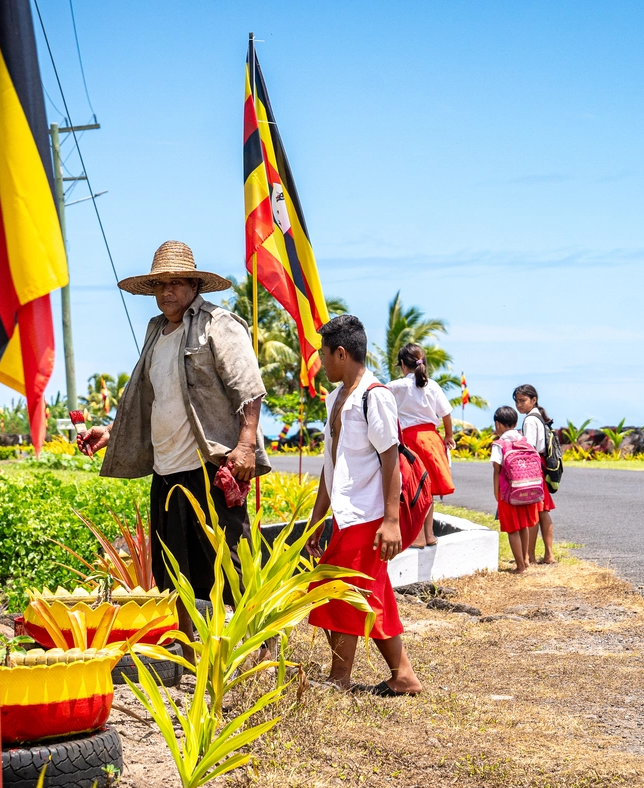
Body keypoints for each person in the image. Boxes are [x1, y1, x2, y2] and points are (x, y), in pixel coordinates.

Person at [77, 241, 269, 638]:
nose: (168, 291)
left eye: (177, 282)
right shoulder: (155, 332)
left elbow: (248, 388)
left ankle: (260, 647)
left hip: (208, 465)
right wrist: (111, 432)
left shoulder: (218, 324)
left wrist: (246, 443)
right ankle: (188, 653)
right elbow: (154, 398)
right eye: (161, 284)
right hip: (166, 470)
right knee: (174, 571)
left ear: (195, 285)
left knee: (230, 563)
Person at [307, 315, 423, 696]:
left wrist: (391, 521)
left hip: (369, 516)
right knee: (371, 594)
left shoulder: (377, 396)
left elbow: (392, 461)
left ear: (342, 353)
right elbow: (332, 466)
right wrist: (315, 521)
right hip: (346, 515)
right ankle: (403, 676)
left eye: (324, 354)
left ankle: (339, 680)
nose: (321, 361)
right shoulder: (334, 398)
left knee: (340, 591)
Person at [388, 343, 456, 548]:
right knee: (428, 490)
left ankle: (416, 537)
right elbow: (446, 414)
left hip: (410, 441)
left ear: (402, 364)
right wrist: (449, 437)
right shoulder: (432, 385)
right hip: (432, 441)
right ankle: (429, 535)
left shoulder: (396, 386)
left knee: (413, 490)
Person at [491, 406, 540, 573]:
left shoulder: (499, 445)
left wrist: (496, 492)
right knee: (524, 526)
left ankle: (520, 567)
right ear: (516, 422)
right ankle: (525, 560)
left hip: (508, 494)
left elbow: (497, 470)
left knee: (512, 530)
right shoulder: (525, 441)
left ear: (498, 424)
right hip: (528, 490)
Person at [513, 384, 557, 565]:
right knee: (543, 510)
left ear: (534, 400)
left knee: (534, 511)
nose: (519, 405)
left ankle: (529, 556)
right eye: (516, 401)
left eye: (522, 401)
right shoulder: (539, 417)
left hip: (533, 466)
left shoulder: (530, 420)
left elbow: (528, 447)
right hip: (542, 464)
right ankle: (548, 554)